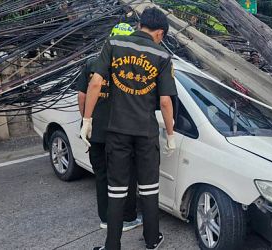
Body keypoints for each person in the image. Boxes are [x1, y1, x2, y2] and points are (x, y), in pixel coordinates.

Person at [81, 7, 177, 250]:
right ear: (160, 33)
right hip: (146, 133)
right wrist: (171, 134)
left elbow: (95, 84)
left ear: (139, 25)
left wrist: (87, 120)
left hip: (117, 132)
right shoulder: (163, 57)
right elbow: (165, 101)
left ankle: (112, 245)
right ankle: (152, 240)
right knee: (149, 189)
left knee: (116, 190)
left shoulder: (113, 44)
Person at [76, 23, 142, 232]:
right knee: (127, 177)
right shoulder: (132, 67)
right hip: (122, 133)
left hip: (96, 133)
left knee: (102, 177)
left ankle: (105, 219)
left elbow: (82, 96)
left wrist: (87, 120)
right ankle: (128, 218)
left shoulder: (92, 63)